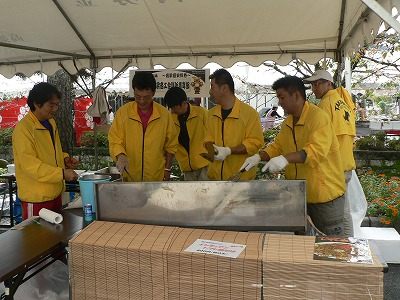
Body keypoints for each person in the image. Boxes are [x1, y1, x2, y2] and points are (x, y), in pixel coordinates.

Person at [241, 76, 346, 236]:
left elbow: (315, 151)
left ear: (296, 95)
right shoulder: (288, 122)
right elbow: (278, 146)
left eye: (282, 97)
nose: (280, 102)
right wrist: (258, 157)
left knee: (330, 247)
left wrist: (285, 159)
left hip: (325, 198)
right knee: (303, 246)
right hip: (299, 196)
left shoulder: (319, 117)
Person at [12, 82, 79, 220]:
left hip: (55, 194)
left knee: (55, 238)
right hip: (36, 198)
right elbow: (31, 166)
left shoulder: (51, 123)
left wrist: (65, 159)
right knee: (35, 240)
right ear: (37, 104)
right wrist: (61, 173)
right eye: (51, 105)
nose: (55, 109)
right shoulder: (23, 129)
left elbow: (53, 152)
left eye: (57, 104)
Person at [304, 70, 356, 236]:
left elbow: (320, 138)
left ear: (329, 83)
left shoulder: (325, 105)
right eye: (312, 85)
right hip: (346, 162)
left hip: (336, 166)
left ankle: (347, 245)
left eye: (318, 84)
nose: (314, 88)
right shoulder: (342, 100)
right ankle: (349, 244)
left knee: (341, 214)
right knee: (344, 210)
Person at [108, 71, 178, 181]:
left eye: (146, 97)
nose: (141, 101)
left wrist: (167, 169)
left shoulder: (164, 115)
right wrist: (120, 156)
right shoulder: (123, 113)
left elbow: (171, 145)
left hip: (155, 177)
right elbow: (114, 140)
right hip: (129, 176)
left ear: (153, 93)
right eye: (138, 96)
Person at [204, 69, 264, 180]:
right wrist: (212, 150)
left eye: (212, 87)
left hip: (241, 180)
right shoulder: (211, 114)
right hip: (215, 179)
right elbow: (208, 138)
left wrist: (228, 151)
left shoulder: (249, 114)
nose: (210, 92)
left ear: (224, 88)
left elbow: (254, 143)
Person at [164, 86, 210, 181]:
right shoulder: (171, 119)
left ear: (184, 103)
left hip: (206, 165)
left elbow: (214, 135)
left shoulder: (202, 113)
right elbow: (170, 144)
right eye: (170, 108)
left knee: (207, 194)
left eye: (174, 108)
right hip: (187, 169)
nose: (172, 111)